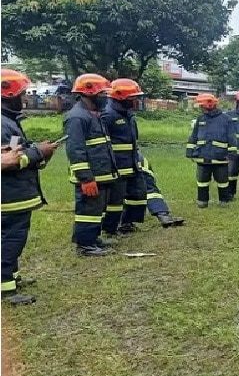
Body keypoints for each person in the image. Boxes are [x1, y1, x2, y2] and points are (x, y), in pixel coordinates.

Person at [1, 69, 57, 305]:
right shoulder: (2, 123)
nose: (25, 98)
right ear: (7, 94)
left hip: (15, 195)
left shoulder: (9, 121)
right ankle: (6, 289)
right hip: (9, 197)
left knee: (14, 238)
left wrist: (34, 150)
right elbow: (9, 161)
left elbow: (14, 149)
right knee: (10, 240)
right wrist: (38, 153)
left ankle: (11, 277)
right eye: (22, 94)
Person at [65, 73, 118, 256]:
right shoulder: (77, 118)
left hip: (101, 174)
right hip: (89, 176)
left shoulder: (94, 115)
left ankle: (93, 239)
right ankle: (85, 246)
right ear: (89, 93)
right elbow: (75, 150)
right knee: (87, 211)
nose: (105, 97)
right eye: (102, 93)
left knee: (96, 211)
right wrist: (86, 178)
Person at [101, 78, 147, 237]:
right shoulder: (107, 115)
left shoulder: (128, 115)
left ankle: (127, 223)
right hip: (117, 166)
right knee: (115, 201)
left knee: (137, 194)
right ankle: (110, 229)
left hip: (132, 163)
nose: (136, 101)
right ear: (121, 97)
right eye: (133, 98)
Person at [186, 93, 236, 208]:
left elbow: (232, 138)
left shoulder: (226, 119)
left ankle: (224, 201)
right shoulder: (201, 119)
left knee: (223, 182)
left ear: (209, 105)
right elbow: (194, 136)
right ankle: (202, 201)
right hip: (203, 157)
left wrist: (231, 154)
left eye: (202, 106)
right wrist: (189, 152)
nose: (201, 108)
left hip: (220, 158)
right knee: (202, 181)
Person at [137, 152, 184, 228]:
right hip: (136, 159)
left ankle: (125, 223)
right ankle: (163, 215)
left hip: (116, 160)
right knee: (149, 188)